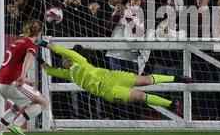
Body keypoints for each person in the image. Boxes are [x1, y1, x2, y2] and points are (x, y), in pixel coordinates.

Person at [35, 41, 193, 117]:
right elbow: (51, 71)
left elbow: (62, 50)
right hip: (107, 90)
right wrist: (39, 59)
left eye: (63, 58)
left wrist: (44, 43)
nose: (62, 60)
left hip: (113, 76)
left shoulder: (79, 60)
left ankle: (178, 78)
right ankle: (172, 104)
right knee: (139, 97)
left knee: (144, 80)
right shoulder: (69, 73)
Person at [0, 19, 49, 135]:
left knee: (17, 107)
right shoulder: (30, 45)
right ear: (38, 32)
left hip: (1, 82)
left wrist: (25, 79)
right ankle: (17, 124)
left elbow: (11, 64)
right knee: (43, 102)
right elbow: (28, 58)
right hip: (12, 83)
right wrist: (23, 76)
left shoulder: (17, 42)